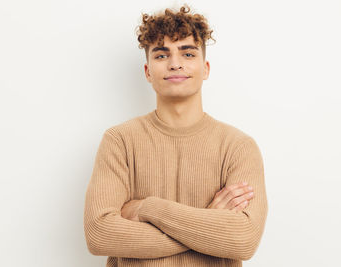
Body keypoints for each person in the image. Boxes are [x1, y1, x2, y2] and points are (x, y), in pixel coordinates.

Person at [84, 4, 268, 267]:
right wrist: (209, 224)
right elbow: (99, 235)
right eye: (161, 55)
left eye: (187, 53)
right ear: (148, 72)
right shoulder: (119, 141)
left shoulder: (238, 147)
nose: (175, 64)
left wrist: (146, 208)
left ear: (205, 69)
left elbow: (243, 240)